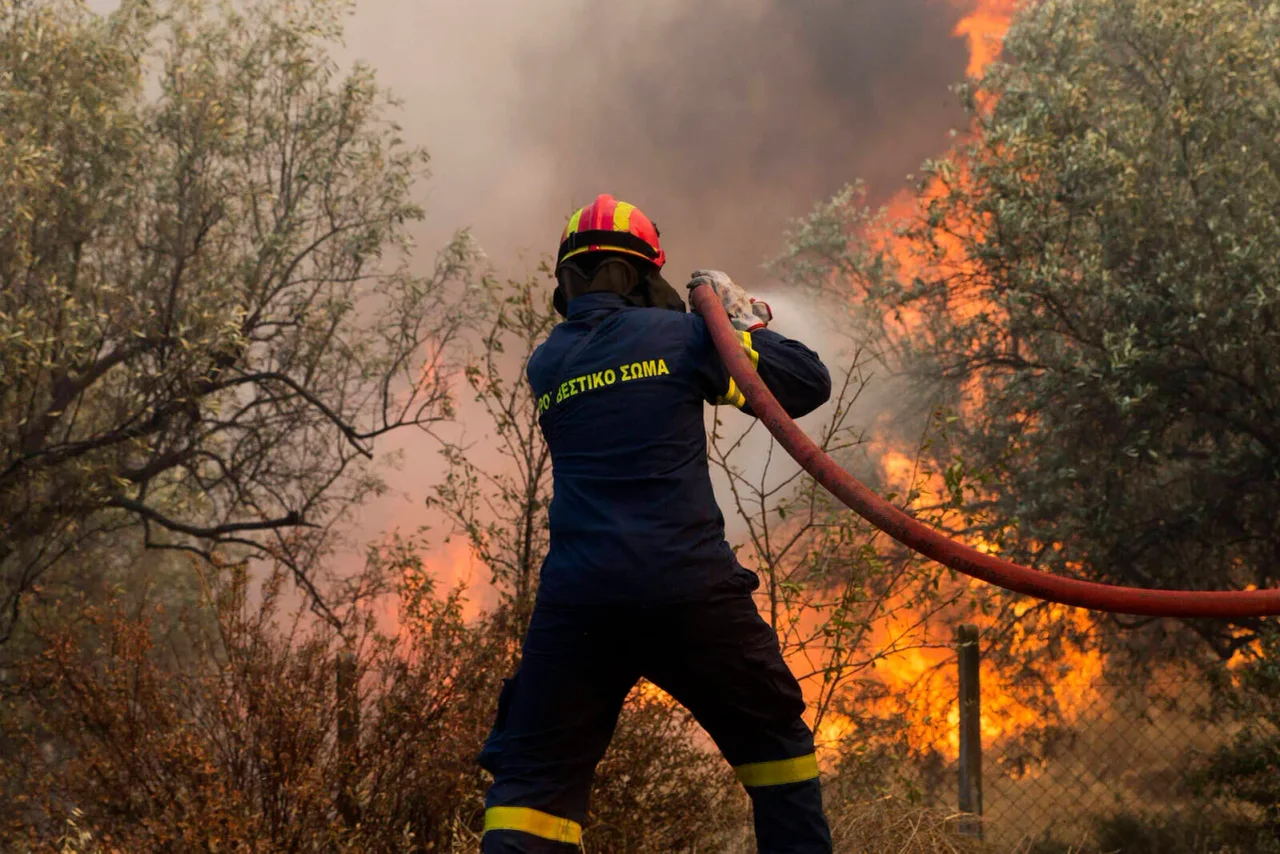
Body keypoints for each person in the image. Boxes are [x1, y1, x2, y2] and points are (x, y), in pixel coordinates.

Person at [478, 194, 834, 853]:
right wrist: (731, 323)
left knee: (529, 789)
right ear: (646, 275)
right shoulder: (683, 338)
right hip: (687, 589)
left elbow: (620, 355)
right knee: (775, 741)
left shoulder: (547, 364)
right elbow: (807, 384)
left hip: (580, 603)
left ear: (566, 282)